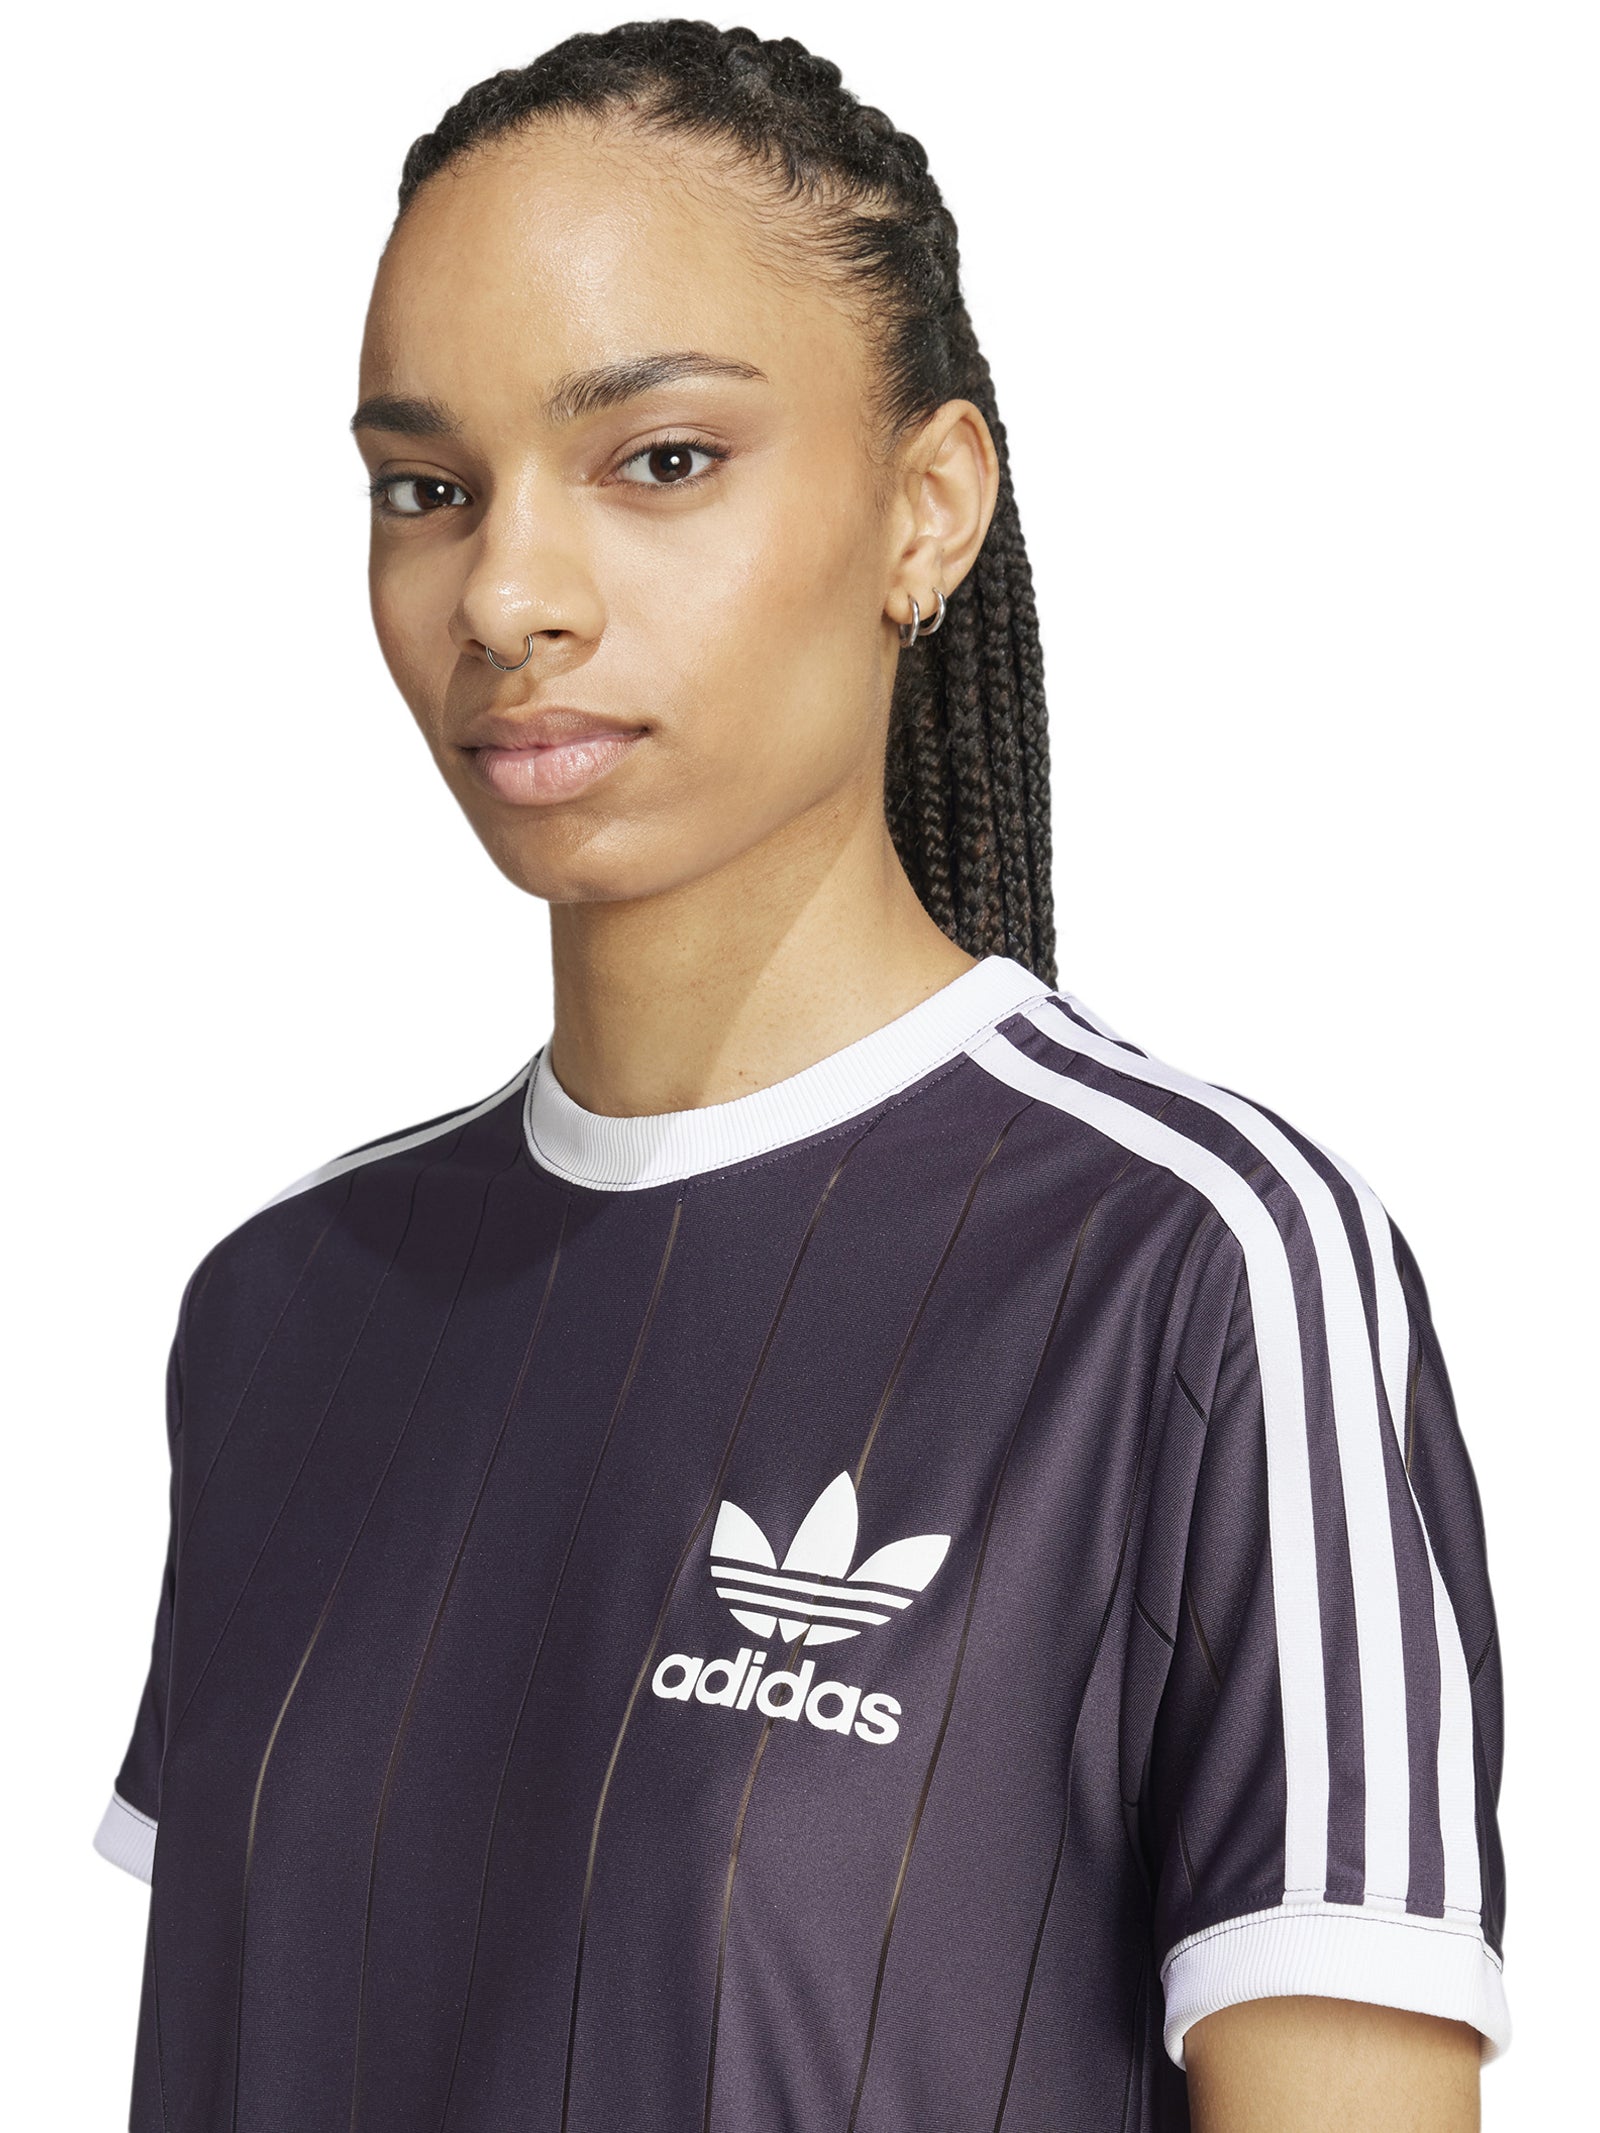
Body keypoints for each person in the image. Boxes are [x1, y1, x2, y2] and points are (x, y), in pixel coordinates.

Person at [91, 20, 1507, 2130]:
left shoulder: (1199, 1275)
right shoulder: (283, 1308)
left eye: (659, 460)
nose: (508, 592)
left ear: (928, 508)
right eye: (425, 489)